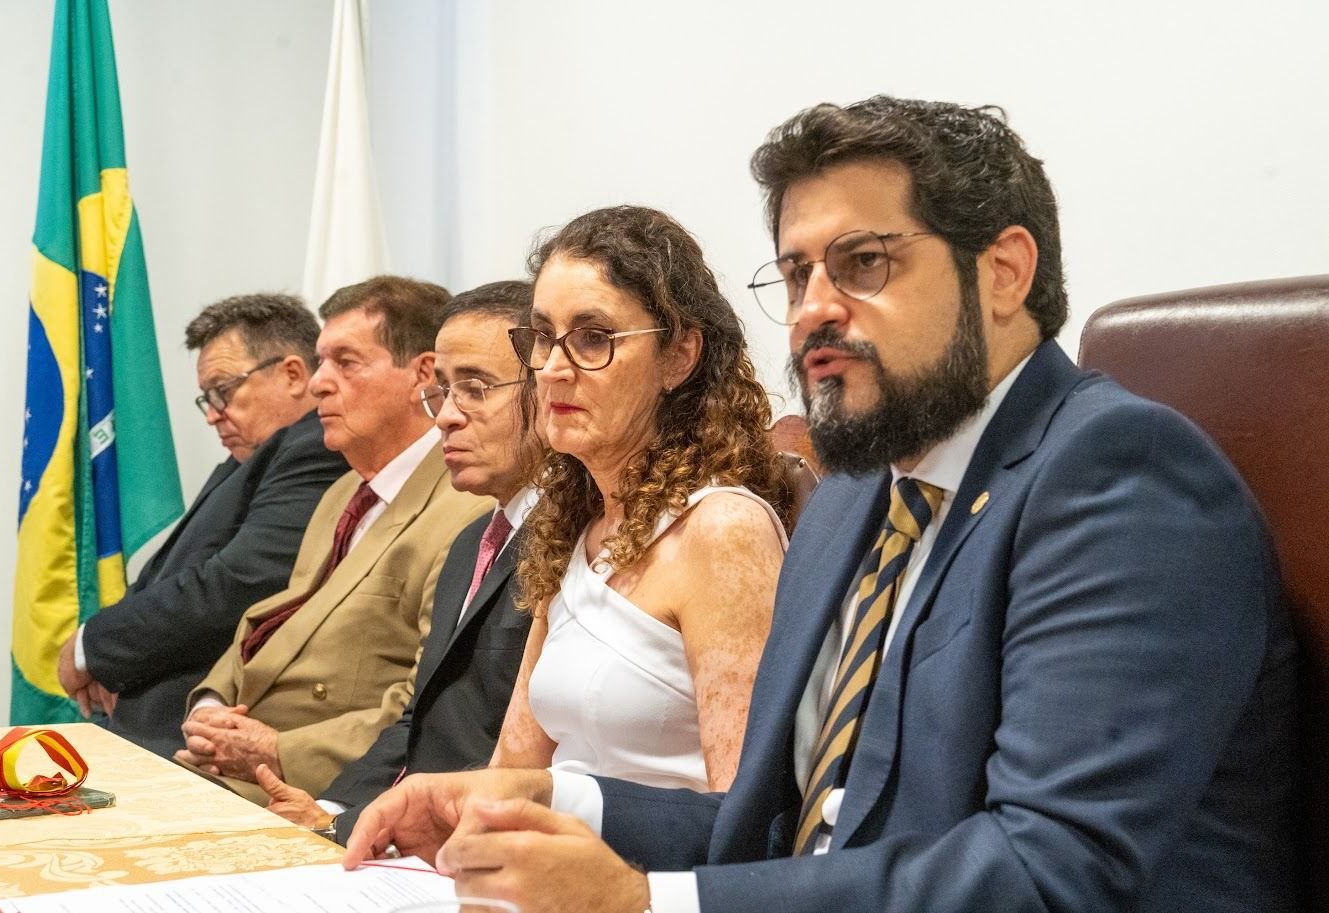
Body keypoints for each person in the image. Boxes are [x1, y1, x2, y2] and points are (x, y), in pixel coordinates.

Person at [343, 98, 1299, 913]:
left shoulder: (1118, 476)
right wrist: (545, 801)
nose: (812, 308)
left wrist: (646, 901)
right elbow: (782, 828)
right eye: (797, 272)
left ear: (1003, 271)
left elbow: (1047, 869)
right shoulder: (853, 498)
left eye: (863, 262)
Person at [483, 206, 792, 796]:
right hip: (548, 844)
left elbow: (743, 808)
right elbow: (513, 768)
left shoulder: (723, 528)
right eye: (543, 337)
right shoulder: (577, 524)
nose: (552, 369)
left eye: (593, 339)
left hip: (649, 856)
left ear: (679, 357)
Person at [176, 275, 491, 803]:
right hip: (231, 759)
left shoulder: (467, 507)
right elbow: (278, 616)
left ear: (423, 376)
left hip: (318, 785)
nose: (319, 383)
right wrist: (209, 709)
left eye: (345, 362)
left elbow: (425, 704)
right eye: (321, 362)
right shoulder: (344, 491)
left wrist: (276, 752)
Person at [256, 280, 541, 843]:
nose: (446, 418)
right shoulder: (473, 542)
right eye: (445, 392)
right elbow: (420, 720)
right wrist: (331, 810)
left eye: (476, 389)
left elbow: (496, 749)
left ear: (551, 391)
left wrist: (343, 824)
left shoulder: (571, 542)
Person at [55, 293, 348, 758]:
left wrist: (90, 647)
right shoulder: (249, 459)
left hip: (200, 737)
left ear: (293, 374)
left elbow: (238, 584)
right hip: (152, 728)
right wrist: (108, 658)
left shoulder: (315, 449)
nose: (212, 414)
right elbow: (167, 576)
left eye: (222, 391)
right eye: (206, 399)